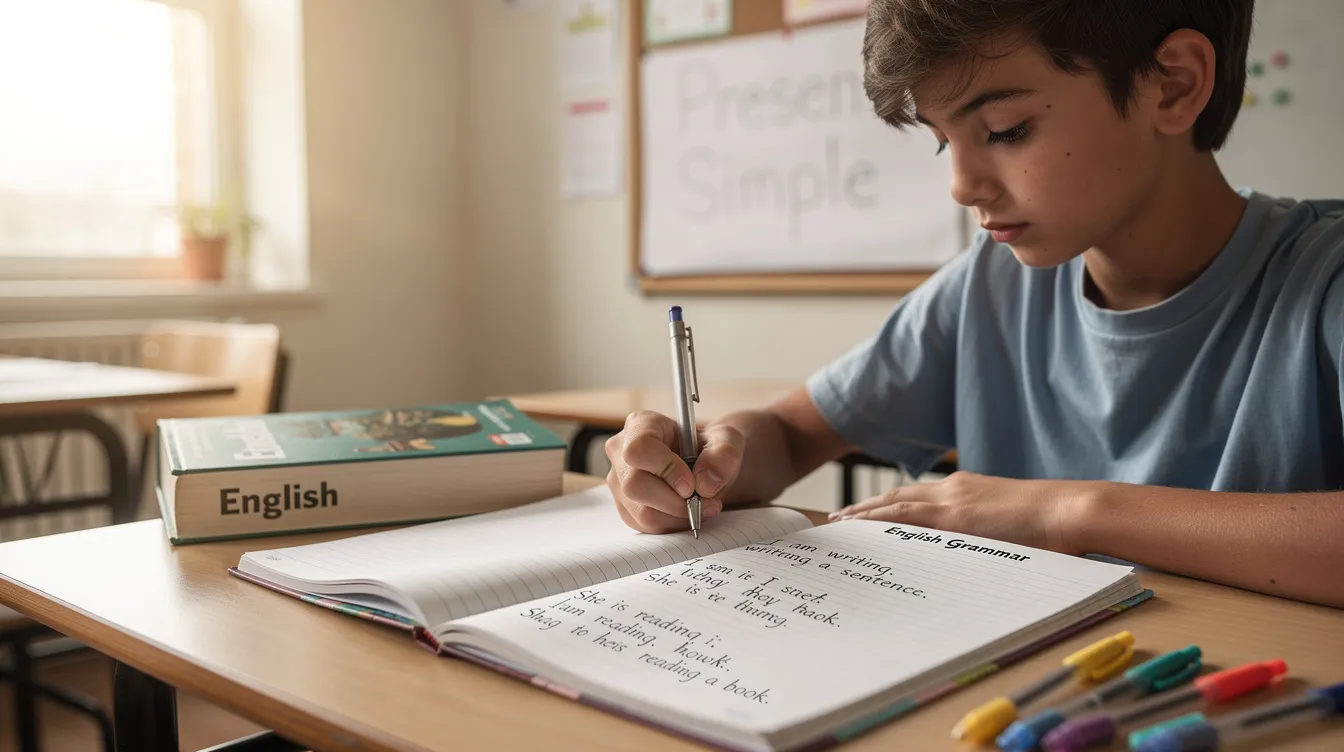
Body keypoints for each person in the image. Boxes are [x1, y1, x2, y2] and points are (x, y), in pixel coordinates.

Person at [605, 0, 1344, 608]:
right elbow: (792, 436)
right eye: (941, 142)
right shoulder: (989, 289)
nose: (961, 185)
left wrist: (1064, 512)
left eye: (1004, 131)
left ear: (1173, 85)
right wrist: (702, 458)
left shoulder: (1324, 280)